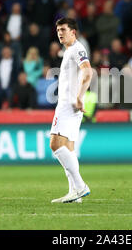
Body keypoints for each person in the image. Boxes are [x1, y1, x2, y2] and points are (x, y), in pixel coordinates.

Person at [50, 17, 92, 203]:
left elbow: (88, 72)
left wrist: (79, 97)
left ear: (73, 32)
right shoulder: (69, 50)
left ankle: (80, 186)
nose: (60, 33)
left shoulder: (77, 49)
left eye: (63, 29)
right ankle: (74, 193)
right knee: (68, 147)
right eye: (58, 29)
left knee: (55, 145)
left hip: (69, 104)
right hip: (70, 105)